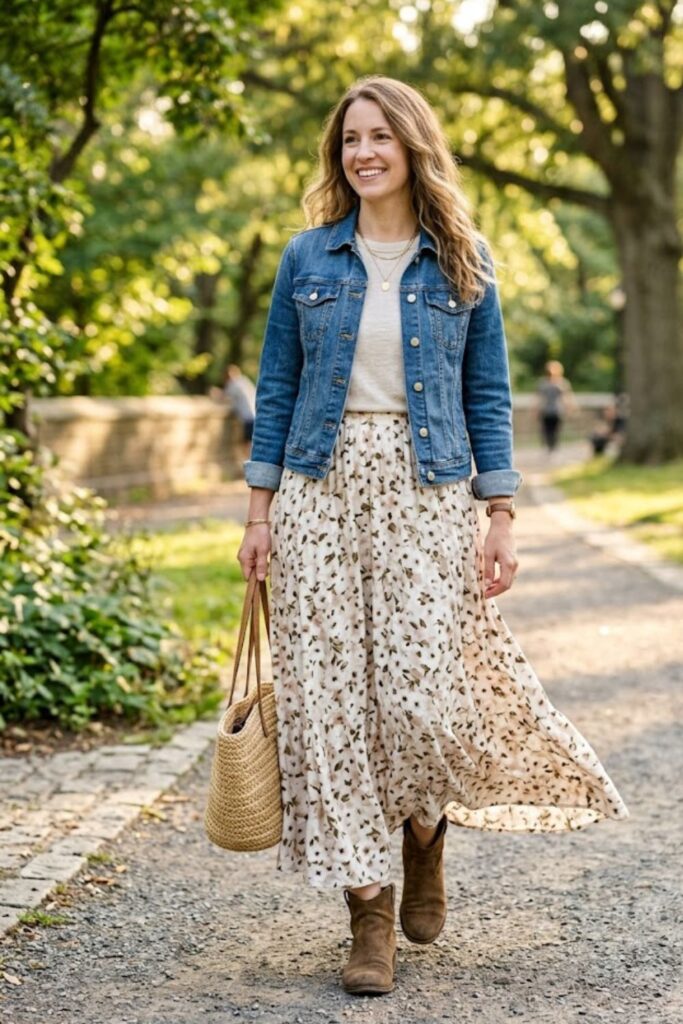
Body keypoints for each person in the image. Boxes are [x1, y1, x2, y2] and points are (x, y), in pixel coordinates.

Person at [237, 75, 630, 996]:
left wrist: (499, 516)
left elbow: (487, 396)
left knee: (419, 697)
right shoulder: (306, 259)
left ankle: (423, 832)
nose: (362, 153)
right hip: (317, 492)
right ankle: (366, 914)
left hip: (425, 494)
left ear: (413, 146)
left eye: (379, 136)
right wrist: (257, 516)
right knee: (331, 706)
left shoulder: (462, 260)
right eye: (348, 140)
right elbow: (279, 392)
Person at [535, 359, 577, 455]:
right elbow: (538, 397)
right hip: (545, 411)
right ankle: (547, 448)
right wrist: (536, 410)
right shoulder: (542, 383)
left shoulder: (562, 383)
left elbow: (567, 397)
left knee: (555, 431)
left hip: (557, 411)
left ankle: (554, 449)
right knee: (546, 430)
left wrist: (571, 407)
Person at [222, 363, 256, 465]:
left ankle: (248, 465)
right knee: (252, 442)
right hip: (256, 414)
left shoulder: (233, 384)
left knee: (247, 444)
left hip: (248, 417)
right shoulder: (244, 381)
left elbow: (224, 398)